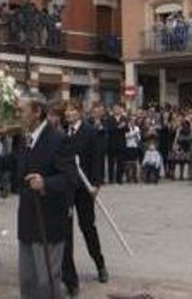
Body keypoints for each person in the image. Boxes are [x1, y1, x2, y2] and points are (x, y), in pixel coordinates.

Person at [0, 94, 76, 299]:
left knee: (47, 283)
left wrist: (46, 182)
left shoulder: (58, 139)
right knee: (28, 282)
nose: (18, 115)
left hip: (49, 222)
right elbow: (4, 162)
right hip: (27, 221)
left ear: (37, 112)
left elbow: (70, 178)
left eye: (21, 110)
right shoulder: (25, 139)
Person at [62, 100, 109, 295]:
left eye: (72, 110)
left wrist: (96, 183)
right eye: (67, 111)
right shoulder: (63, 133)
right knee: (66, 230)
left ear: (80, 112)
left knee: (88, 226)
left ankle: (100, 264)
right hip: (67, 188)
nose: (69, 114)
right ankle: (68, 273)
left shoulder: (90, 132)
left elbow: (97, 157)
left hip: (85, 187)